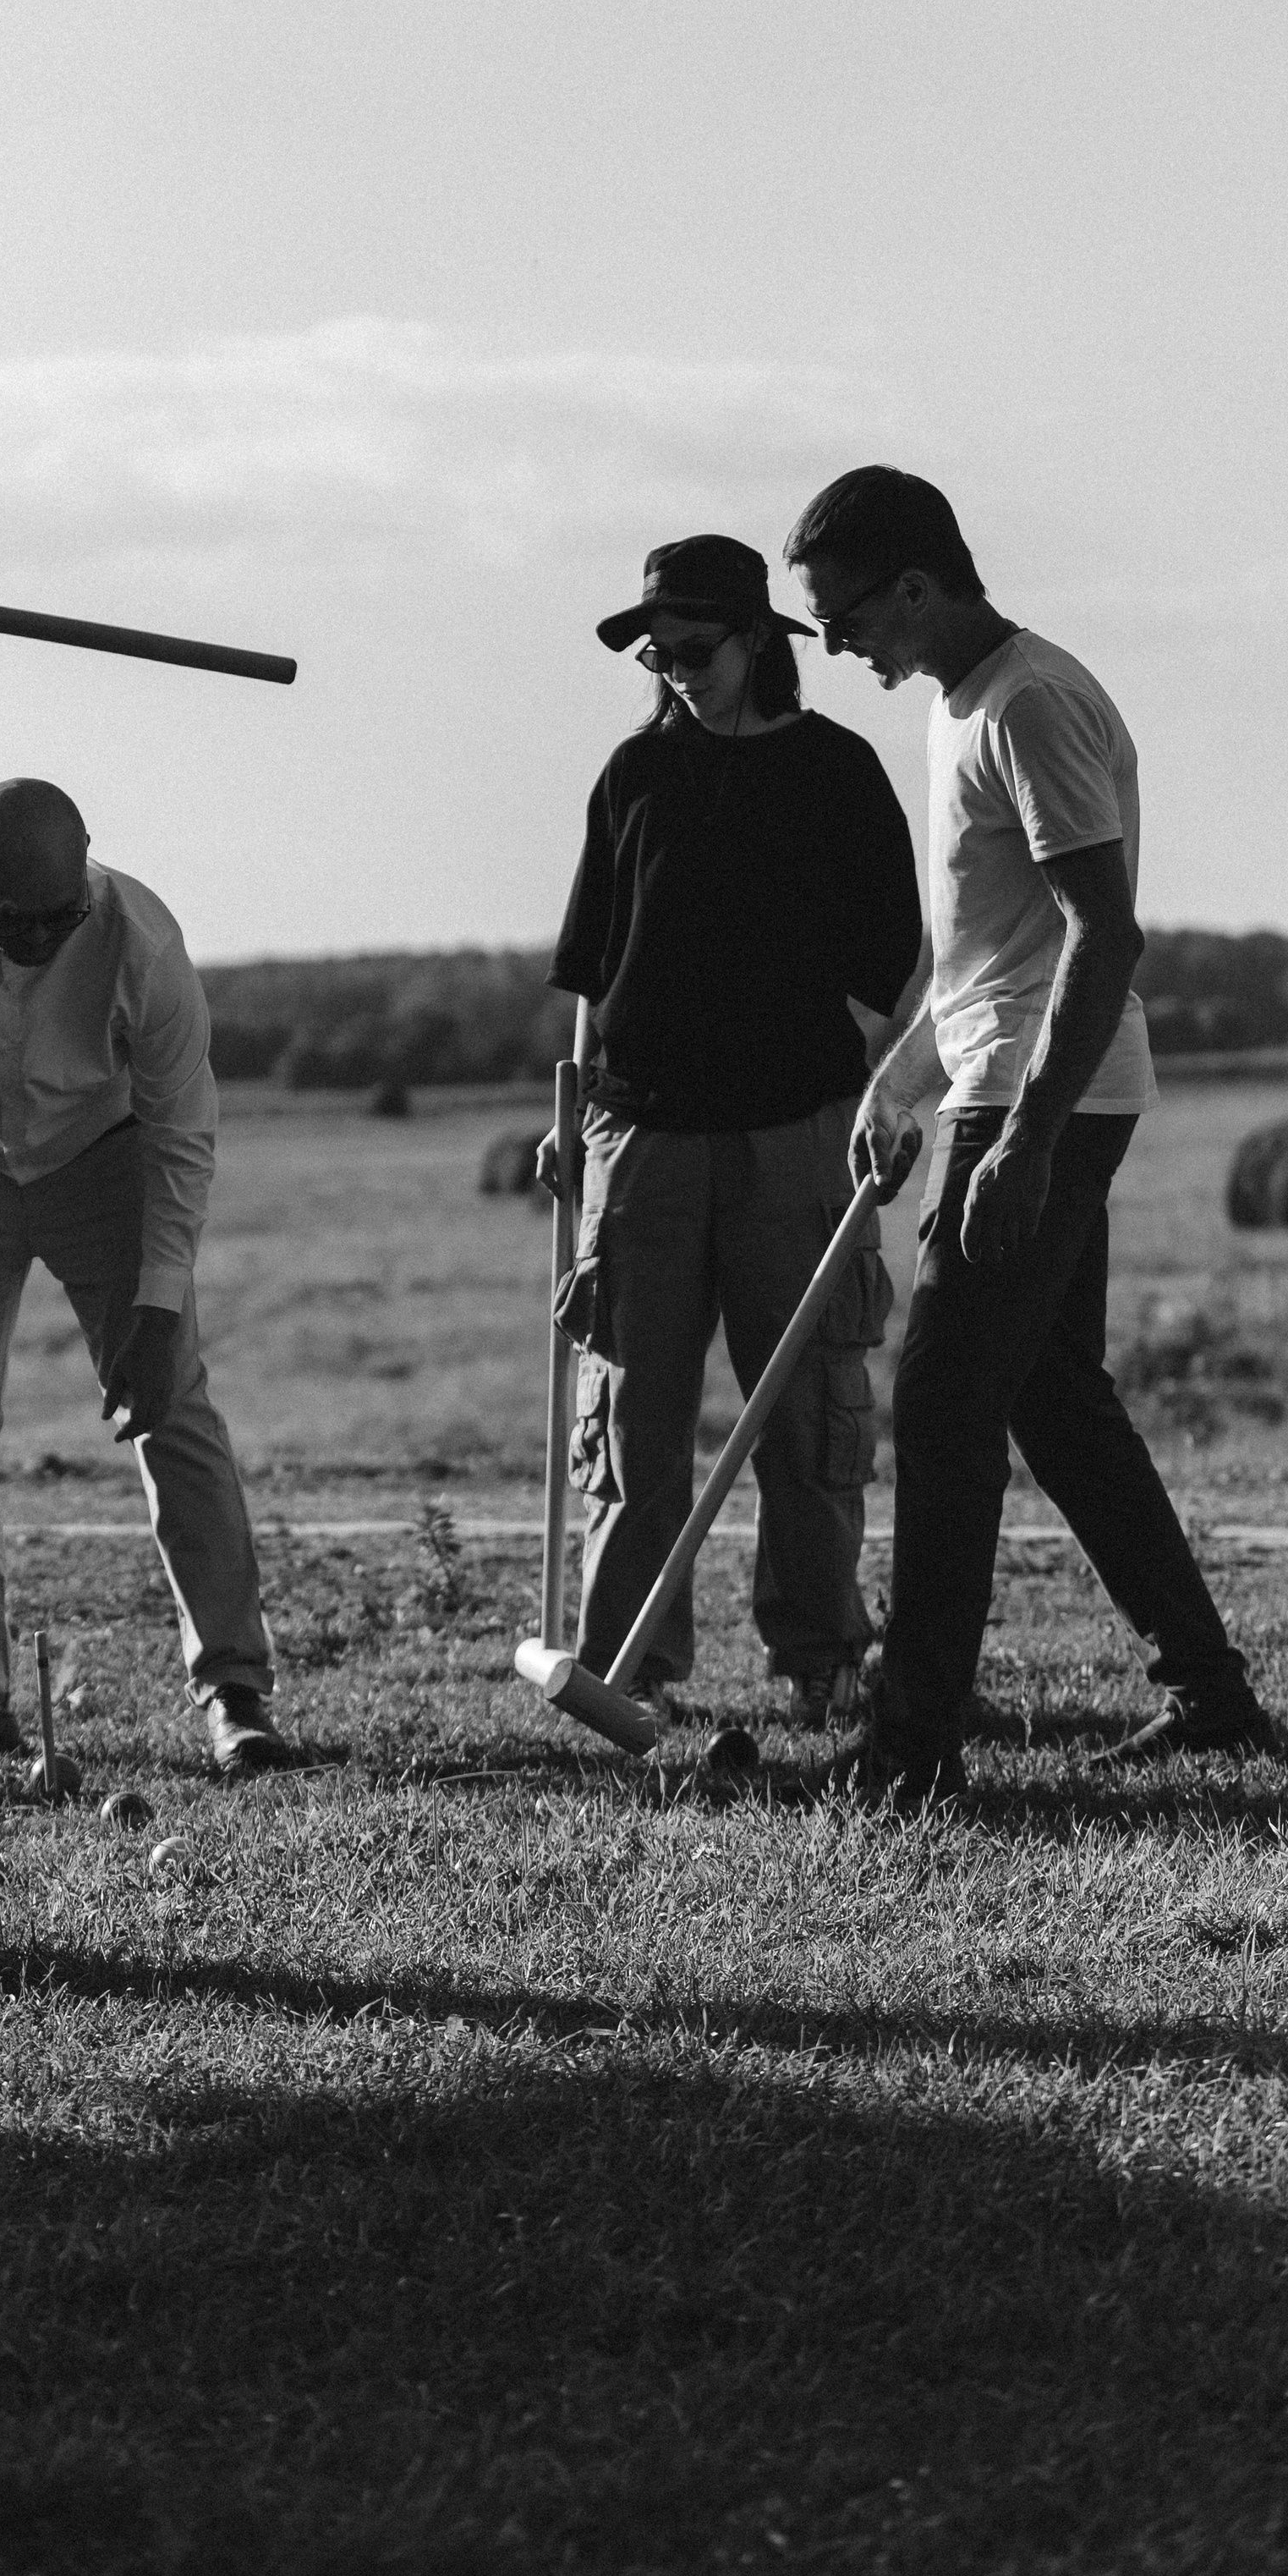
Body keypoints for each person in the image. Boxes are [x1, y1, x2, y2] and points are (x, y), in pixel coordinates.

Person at [786, 464, 1275, 1806]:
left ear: (917, 586)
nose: (834, 643)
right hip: (1001, 1083)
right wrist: (898, 1084)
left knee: (944, 1405)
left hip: (1042, 1098)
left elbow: (1102, 935)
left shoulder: (1033, 704)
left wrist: (1026, 1141)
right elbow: (984, 963)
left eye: (843, 615)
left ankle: (909, 1750)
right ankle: (1214, 1698)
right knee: (1055, 1403)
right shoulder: (957, 706)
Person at [0, 778, 294, 1775]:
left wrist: (157, 1305)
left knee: (173, 1406)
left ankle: (234, 1692)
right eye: (10, 920)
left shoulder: (143, 942)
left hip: (104, 1157)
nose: (38, 938)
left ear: (85, 872)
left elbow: (181, 1131)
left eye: (59, 916)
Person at [540, 536, 924, 1722]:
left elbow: (893, 964)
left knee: (807, 1418)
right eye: (657, 655)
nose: (675, 672)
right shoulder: (634, 773)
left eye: (695, 650)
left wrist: (868, 1095)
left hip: (796, 1139)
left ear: (759, 640)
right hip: (640, 1143)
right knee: (630, 1427)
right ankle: (629, 1672)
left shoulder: (838, 770)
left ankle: (820, 1657)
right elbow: (593, 964)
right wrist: (574, 1112)